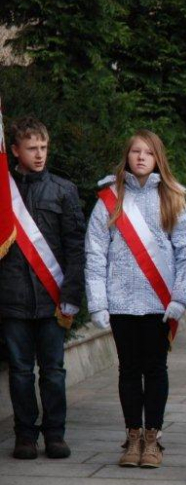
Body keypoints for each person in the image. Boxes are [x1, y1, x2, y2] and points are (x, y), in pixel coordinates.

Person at [85, 129, 186, 468]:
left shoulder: (173, 197)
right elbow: (94, 252)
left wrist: (180, 297)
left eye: (148, 152)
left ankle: (153, 438)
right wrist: (98, 302)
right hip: (120, 301)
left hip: (159, 302)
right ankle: (132, 436)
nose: (141, 157)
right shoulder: (110, 198)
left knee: (156, 369)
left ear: (158, 157)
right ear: (127, 156)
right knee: (128, 371)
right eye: (135, 152)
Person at [0, 116, 85, 459]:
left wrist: (71, 295)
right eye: (31, 148)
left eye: (43, 148)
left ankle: (54, 433)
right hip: (13, 297)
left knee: (53, 371)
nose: (39, 155)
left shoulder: (64, 190)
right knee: (20, 371)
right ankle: (24, 434)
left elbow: (75, 247)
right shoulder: (4, 192)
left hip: (52, 297)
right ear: (15, 150)